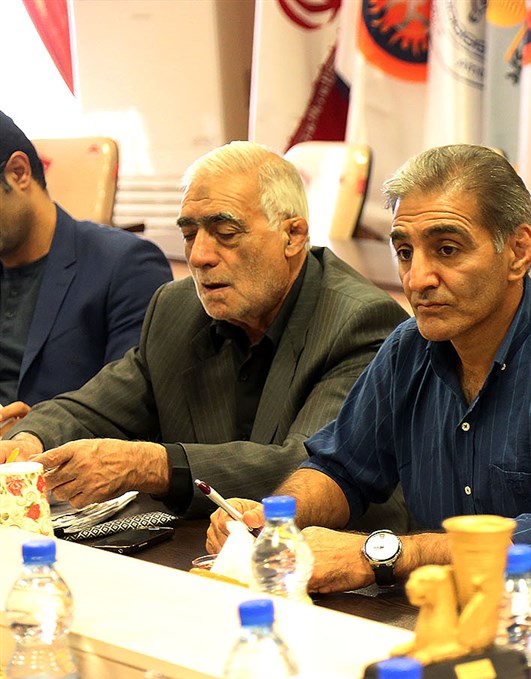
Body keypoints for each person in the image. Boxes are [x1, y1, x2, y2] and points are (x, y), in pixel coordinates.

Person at [206, 144, 531, 590]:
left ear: (518, 251)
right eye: (405, 252)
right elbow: (342, 469)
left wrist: (380, 555)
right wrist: (277, 518)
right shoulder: (408, 348)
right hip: (443, 613)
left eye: (447, 249)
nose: (417, 279)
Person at [0, 141, 406, 516]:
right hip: (205, 545)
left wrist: (153, 464)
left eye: (226, 234)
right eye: (189, 234)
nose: (199, 256)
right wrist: (28, 441)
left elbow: (312, 469)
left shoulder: (359, 321)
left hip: (324, 555)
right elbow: (93, 408)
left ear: (293, 235)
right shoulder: (177, 308)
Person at [0, 109, 171, 430]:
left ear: (18, 173)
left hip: (55, 452)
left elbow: (132, 406)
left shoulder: (124, 265)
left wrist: (31, 434)